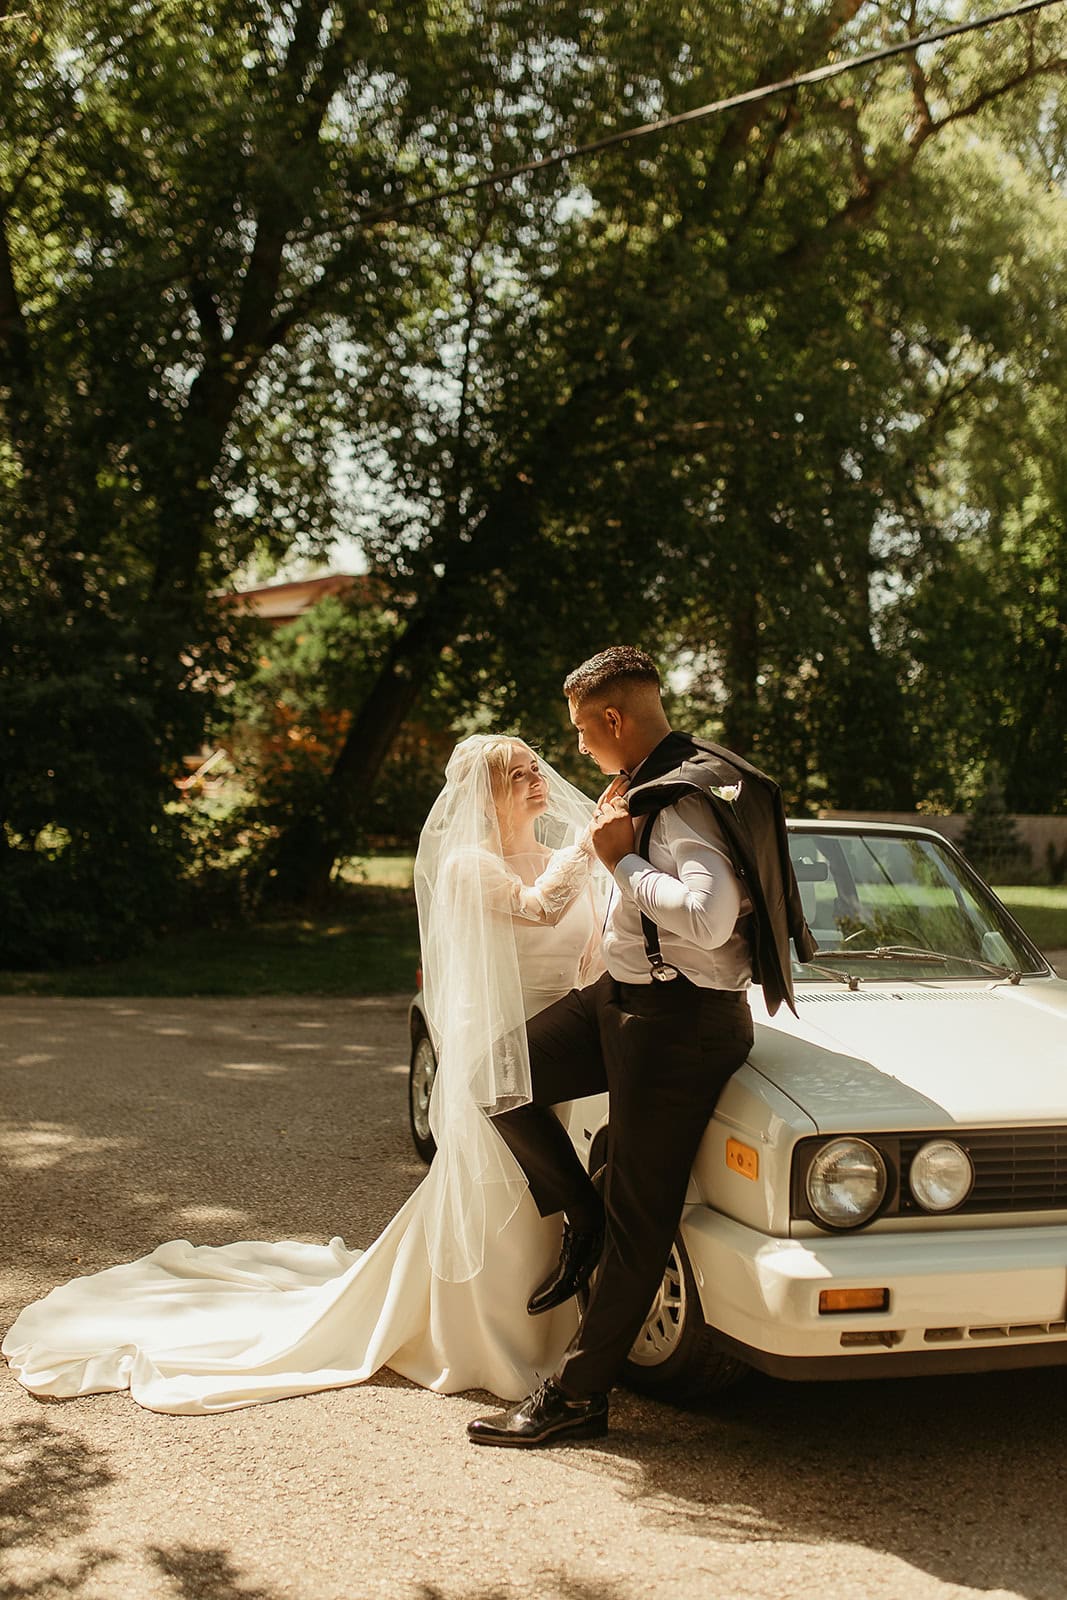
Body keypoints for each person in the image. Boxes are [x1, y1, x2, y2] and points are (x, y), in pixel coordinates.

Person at [2, 736, 609, 1414]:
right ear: (482, 794)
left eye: (534, 767)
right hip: (499, 1053)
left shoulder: (561, 857)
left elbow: (585, 947)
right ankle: (494, 1339)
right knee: (503, 1192)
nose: (536, 779)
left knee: (546, 1181)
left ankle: (569, 1328)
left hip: (552, 1051)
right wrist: (586, 849)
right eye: (516, 773)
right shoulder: (472, 865)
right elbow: (538, 908)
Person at [468, 647, 815, 1448]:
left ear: (613, 720)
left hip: (677, 1025)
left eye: (582, 732)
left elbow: (708, 915)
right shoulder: (653, 781)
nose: (580, 748)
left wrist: (618, 856)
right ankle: (578, 1216)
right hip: (617, 1001)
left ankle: (578, 1397)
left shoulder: (681, 798)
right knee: (496, 1076)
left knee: (642, 1212)